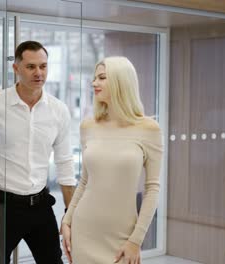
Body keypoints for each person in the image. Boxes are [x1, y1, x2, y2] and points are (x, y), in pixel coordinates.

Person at [0, 40, 77, 264]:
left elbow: (65, 162)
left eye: (43, 66)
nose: (38, 73)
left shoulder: (58, 110)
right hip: (2, 208)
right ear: (16, 69)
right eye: (31, 66)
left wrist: (69, 212)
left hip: (41, 205)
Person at [60, 56, 163, 264]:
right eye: (94, 78)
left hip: (123, 237)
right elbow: (85, 182)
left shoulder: (149, 129)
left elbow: (152, 189)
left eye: (102, 77)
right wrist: (67, 221)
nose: (94, 83)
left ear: (120, 81)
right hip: (84, 229)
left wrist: (136, 240)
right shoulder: (88, 127)